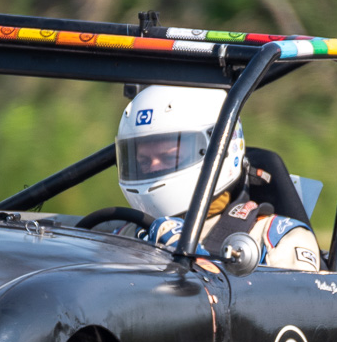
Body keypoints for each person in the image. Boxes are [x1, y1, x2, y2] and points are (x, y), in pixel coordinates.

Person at [115, 84, 322, 272]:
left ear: (220, 148)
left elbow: (295, 309)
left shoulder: (277, 240)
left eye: (169, 157)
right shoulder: (126, 233)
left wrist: (198, 261)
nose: (153, 168)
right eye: (142, 161)